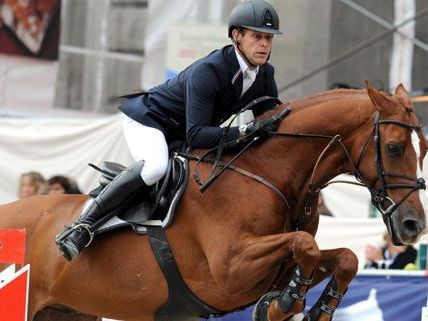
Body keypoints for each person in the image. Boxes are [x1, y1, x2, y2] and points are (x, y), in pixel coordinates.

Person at [55, 0, 283, 261]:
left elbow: (271, 121)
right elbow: (197, 135)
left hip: (180, 132)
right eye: (257, 37)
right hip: (150, 120)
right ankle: (82, 226)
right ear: (236, 35)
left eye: (268, 38)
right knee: (155, 167)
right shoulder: (210, 71)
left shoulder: (265, 75)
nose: (264, 44)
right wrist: (246, 131)